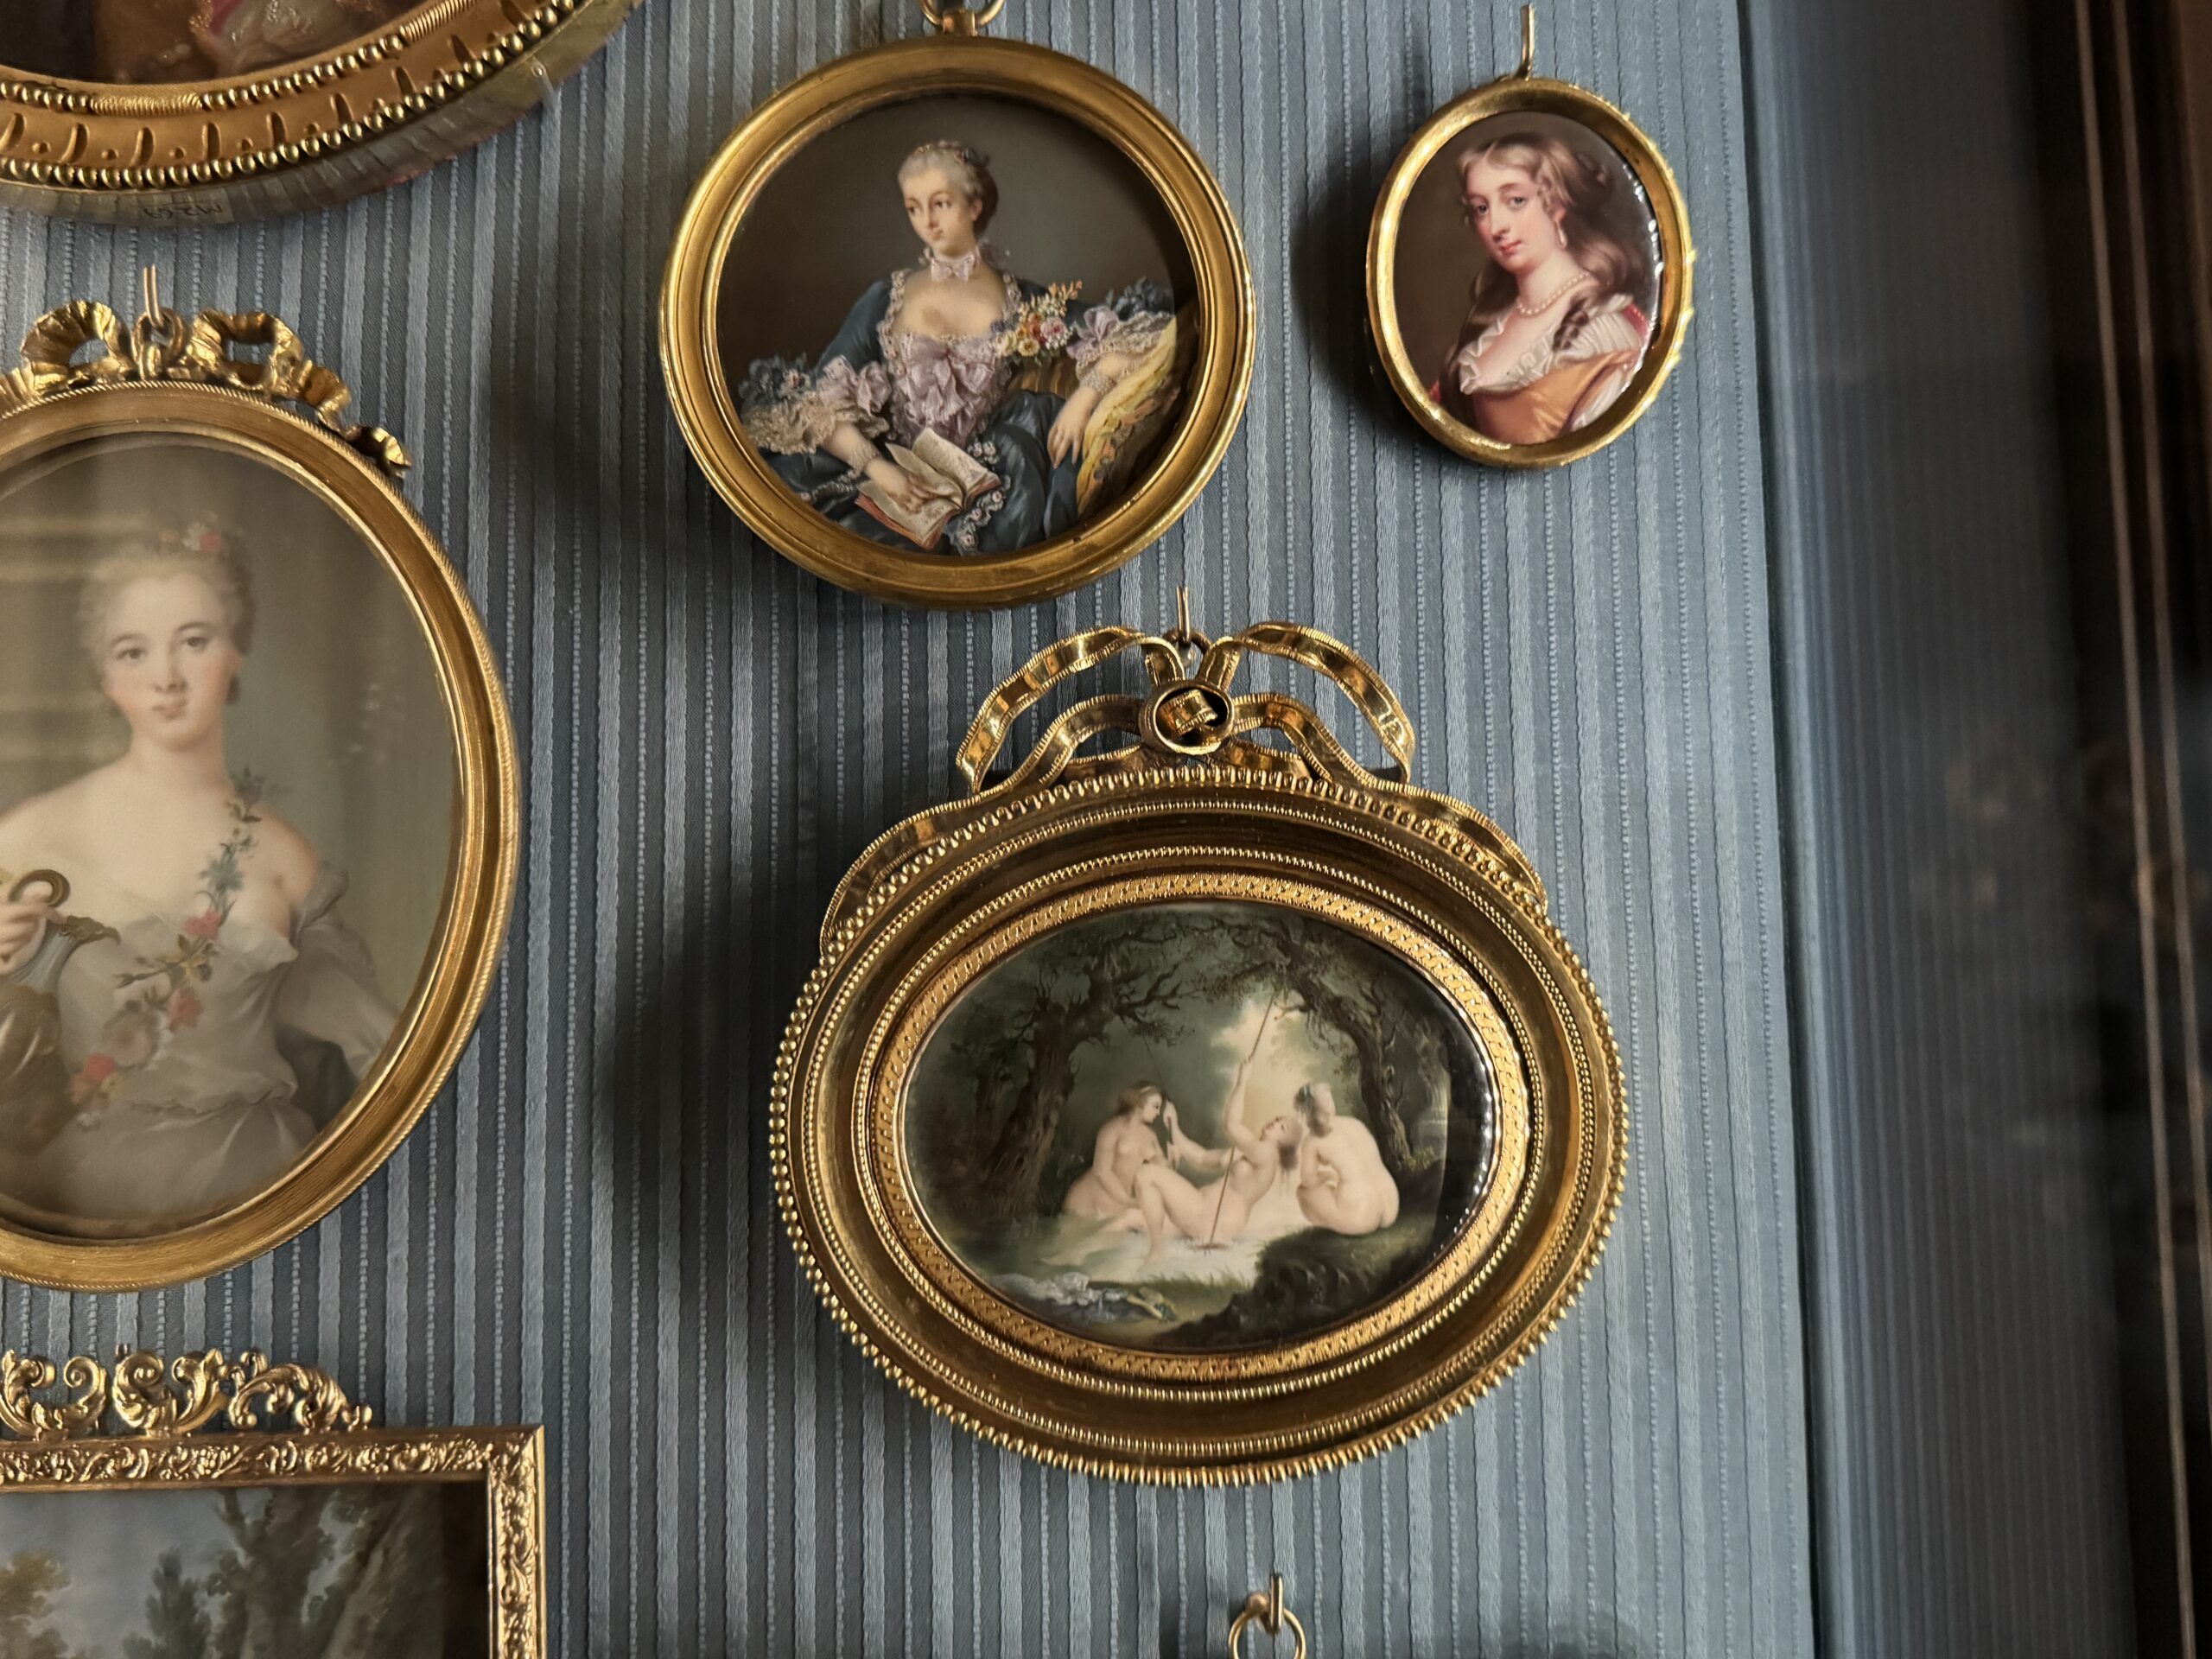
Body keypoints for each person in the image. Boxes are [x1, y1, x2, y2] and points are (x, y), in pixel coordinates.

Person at [0, 524, 396, 1229]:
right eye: (133, 651)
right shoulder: (32, 836)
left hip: (259, 1187)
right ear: (104, 675)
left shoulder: (284, 856)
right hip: (93, 1181)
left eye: (194, 641)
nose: (167, 678)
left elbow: (384, 1056)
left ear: (237, 652)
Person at [736, 140, 1175, 555]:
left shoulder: (1023, 300)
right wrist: (880, 470)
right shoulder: (885, 299)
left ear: (974, 206)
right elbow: (820, 403)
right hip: (901, 475)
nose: (927, 222)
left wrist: (1085, 396)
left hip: (993, 475)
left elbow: (1139, 337)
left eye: (941, 204)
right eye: (914, 208)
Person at [1431, 128, 1656, 445]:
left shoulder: (1603, 330)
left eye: (1516, 201)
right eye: (1481, 208)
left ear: (1557, 203)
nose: (1496, 226)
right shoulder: (1493, 324)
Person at [1127, 1029, 1305, 1262]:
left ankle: (1157, 1250)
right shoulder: (1247, 1151)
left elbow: (1231, 1124)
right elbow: (1200, 1157)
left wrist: (1242, 1081)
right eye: (1278, 1119)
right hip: (1202, 1214)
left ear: (1285, 1144)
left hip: (1210, 1219)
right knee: (1130, 1218)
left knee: (1145, 1173)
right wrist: (1174, 1125)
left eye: (1282, 1128)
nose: (1275, 1122)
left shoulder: (1268, 1155)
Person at [1290, 1082, 1400, 1236]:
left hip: (1361, 1217)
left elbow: (1308, 1181)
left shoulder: (1312, 1141)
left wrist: (1328, 1175)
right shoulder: (1354, 1124)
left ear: (1306, 1112)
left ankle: (1343, 1220)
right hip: (1391, 1206)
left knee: (1303, 1192)